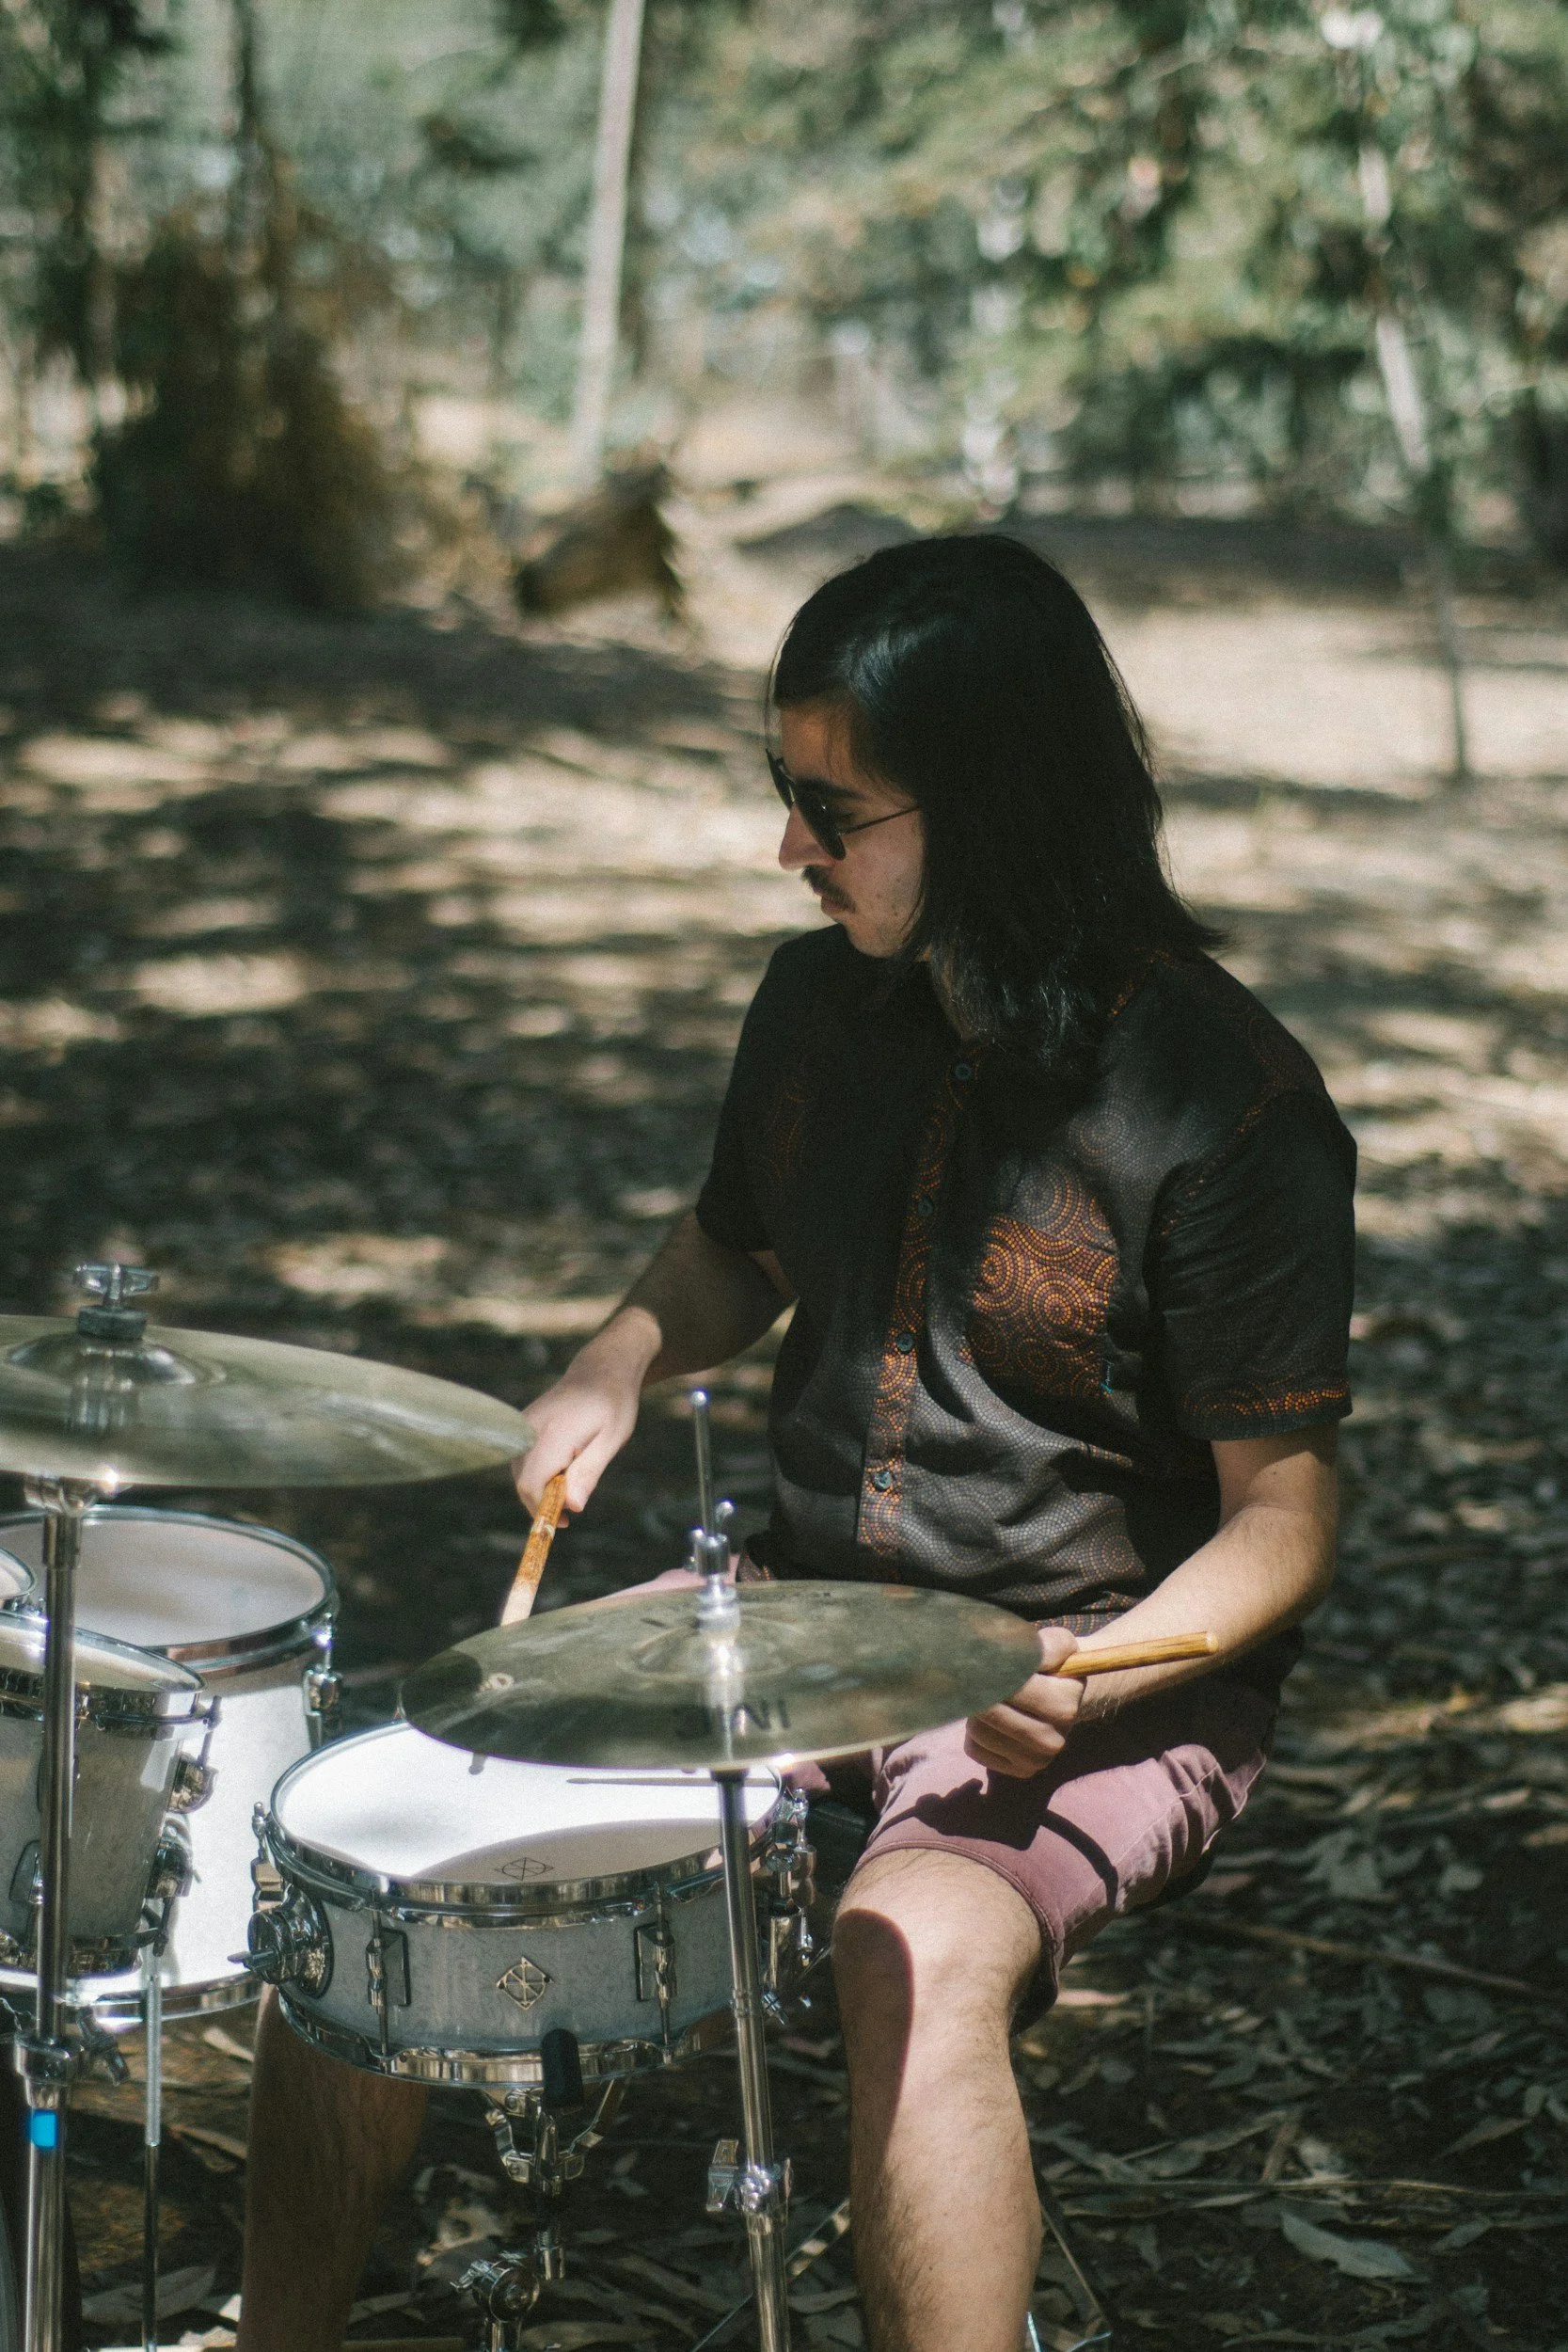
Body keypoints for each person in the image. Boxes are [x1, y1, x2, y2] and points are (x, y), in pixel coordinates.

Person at [234, 535, 1353, 2352]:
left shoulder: (1223, 1104)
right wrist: (611, 1362)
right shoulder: (815, 1004)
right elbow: (732, 1248)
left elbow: (1283, 1525)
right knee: (376, 1854)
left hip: (1097, 1664)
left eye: (831, 810)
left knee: (906, 1947)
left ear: (988, 810)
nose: (788, 850)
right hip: (797, 1616)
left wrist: (1100, 1667)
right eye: (782, 797)